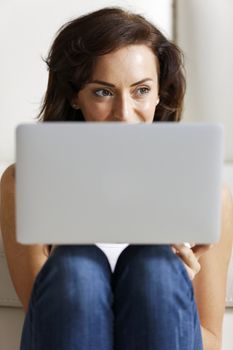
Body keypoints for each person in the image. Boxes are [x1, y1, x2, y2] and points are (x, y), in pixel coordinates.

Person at [0, 7, 233, 350]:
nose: (124, 114)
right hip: (68, 325)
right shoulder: (26, 181)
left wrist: (176, 285)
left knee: (154, 268)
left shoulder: (209, 191)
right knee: (77, 265)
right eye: (103, 92)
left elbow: (212, 339)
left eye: (140, 90)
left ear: (160, 93)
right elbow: (47, 315)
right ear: (74, 96)